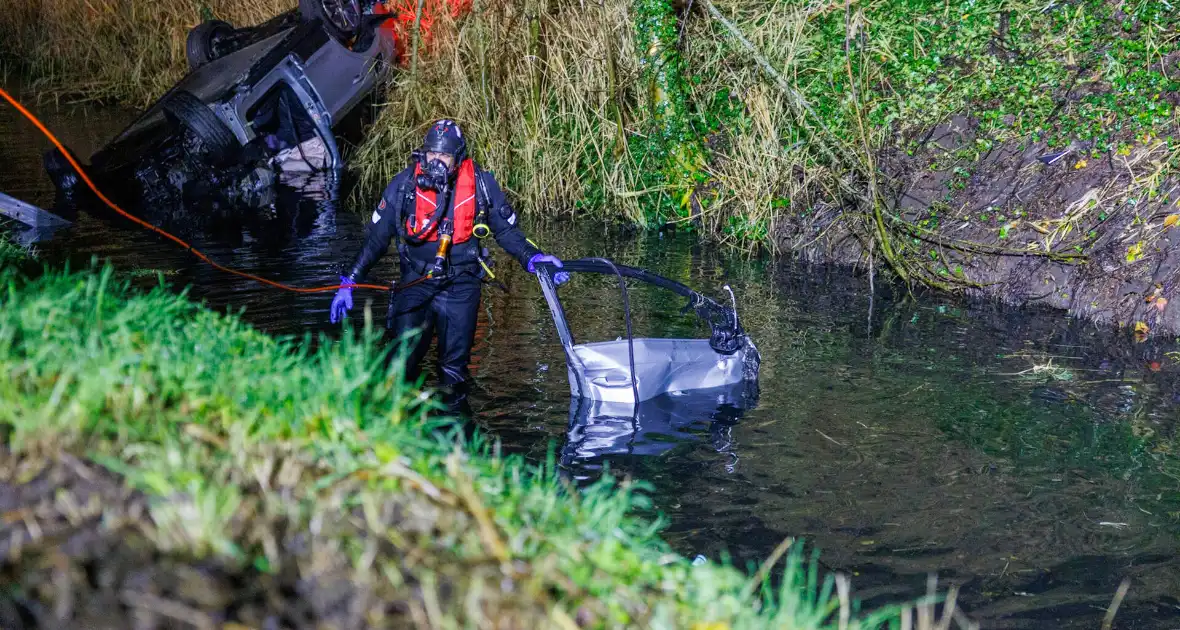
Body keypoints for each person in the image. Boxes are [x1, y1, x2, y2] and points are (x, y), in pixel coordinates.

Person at [329, 119, 569, 408]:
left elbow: (506, 231)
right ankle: (396, 432)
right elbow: (376, 239)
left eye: (445, 156)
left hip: (460, 285)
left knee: (453, 374)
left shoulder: (481, 183)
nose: (437, 162)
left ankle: (454, 438)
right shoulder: (405, 184)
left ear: (458, 158)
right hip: (415, 283)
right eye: (432, 154)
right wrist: (351, 279)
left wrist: (534, 258)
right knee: (399, 366)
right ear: (423, 154)